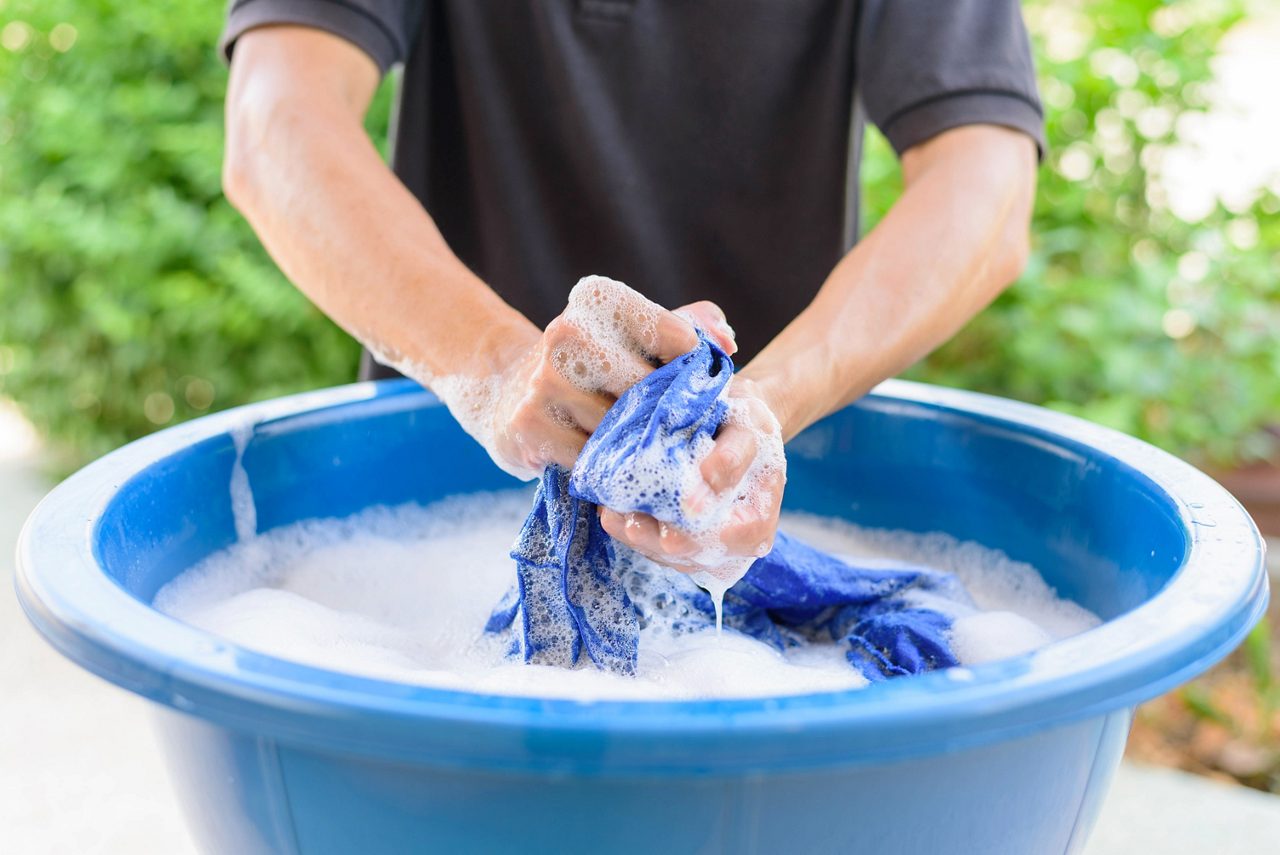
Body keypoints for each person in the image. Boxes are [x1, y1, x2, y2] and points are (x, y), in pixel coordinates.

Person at [219, 1, 1041, 578]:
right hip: (429, 517)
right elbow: (278, 118)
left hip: (760, 524)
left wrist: (765, 407)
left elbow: (984, 179)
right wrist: (494, 365)